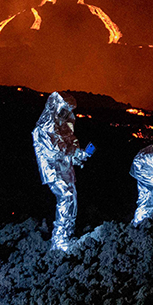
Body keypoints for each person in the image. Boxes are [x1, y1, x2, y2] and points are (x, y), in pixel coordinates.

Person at [32, 91, 94, 250]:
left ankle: (66, 236)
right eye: (64, 109)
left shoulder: (63, 126)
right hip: (54, 170)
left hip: (66, 169)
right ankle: (60, 240)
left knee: (71, 199)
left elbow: (69, 145)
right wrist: (74, 153)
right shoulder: (45, 128)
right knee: (66, 197)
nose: (67, 113)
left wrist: (78, 156)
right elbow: (55, 149)